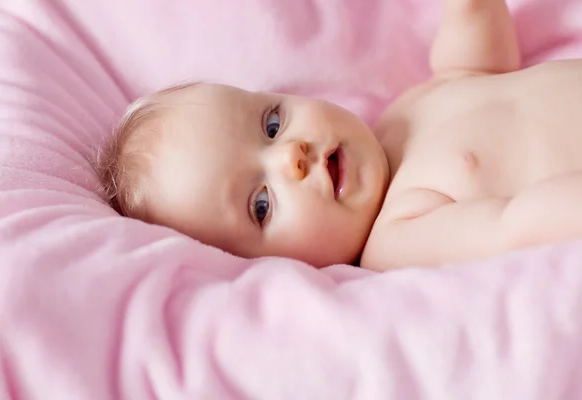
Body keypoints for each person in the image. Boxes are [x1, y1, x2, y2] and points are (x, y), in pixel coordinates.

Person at [97, 0, 582, 271]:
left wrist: (469, 12)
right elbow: (517, 225)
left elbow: (470, 70)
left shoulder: (399, 117)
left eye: (271, 124)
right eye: (261, 205)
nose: (293, 157)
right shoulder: (400, 236)